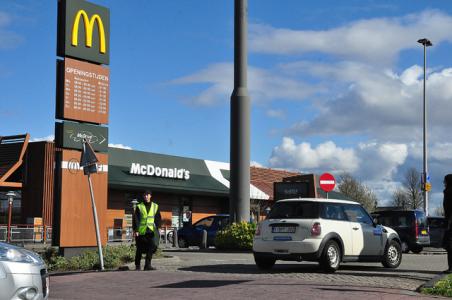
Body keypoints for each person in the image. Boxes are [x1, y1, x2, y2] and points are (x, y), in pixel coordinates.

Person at [132, 190, 161, 271]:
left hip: (150, 231)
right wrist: (136, 230)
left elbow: (158, 218)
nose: (146, 196)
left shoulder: (155, 206)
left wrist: (159, 227)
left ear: (150, 196)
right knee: (139, 249)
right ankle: (137, 265)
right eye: (144, 195)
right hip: (141, 231)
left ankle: (147, 265)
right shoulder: (139, 206)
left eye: (147, 195)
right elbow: (136, 219)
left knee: (152, 246)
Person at [443, 174, 452, 273]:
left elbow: (449, 209)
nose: (444, 183)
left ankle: (451, 268)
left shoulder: (449, 192)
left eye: (445, 181)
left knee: (449, 244)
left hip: (450, 222)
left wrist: (448, 222)